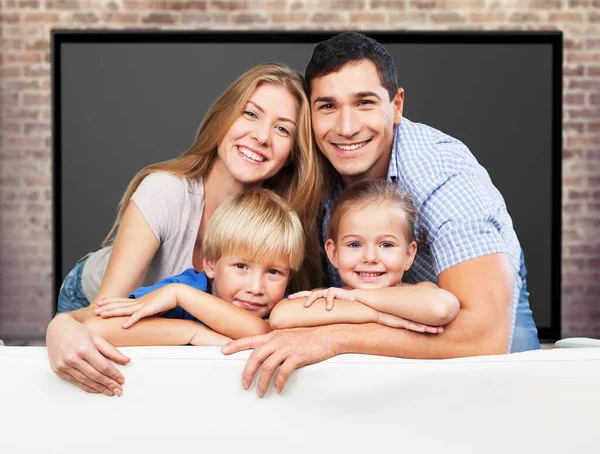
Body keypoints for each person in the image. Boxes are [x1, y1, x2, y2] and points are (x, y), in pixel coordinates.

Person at [222, 32, 541, 398]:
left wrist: (334, 338)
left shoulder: (444, 175)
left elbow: (485, 335)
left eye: (364, 103)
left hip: (474, 323)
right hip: (375, 324)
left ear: (397, 105)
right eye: (327, 106)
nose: (346, 127)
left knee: (508, 389)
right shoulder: (310, 164)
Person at [46, 63, 326, 396]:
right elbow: (101, 317)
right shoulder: (165, 191)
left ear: (292, 153)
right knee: (95, 373)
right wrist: (61, 325)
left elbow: (262, 328)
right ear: (224, 118)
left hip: (174, 318)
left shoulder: (277, 221)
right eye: (250, 114)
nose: (262, 136)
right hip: (95, 301)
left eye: (282, 130)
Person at [84, 188, 305, 348]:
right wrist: (192, 332)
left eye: (273, 272)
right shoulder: (184, 288)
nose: (256, 288)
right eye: (241, 266)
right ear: (209, 263)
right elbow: (96, 328)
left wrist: (180, 296)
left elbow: (258, 331)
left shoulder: (283, 309)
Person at [269, 178, 460, 332]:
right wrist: (377, 316)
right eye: (354, 244)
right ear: (333, 253)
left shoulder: (420, 291)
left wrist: (356, 297)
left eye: (386, 244)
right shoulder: (326, 297)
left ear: (409, 255)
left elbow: (440, 309)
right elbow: (280, 316)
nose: (370, 258)